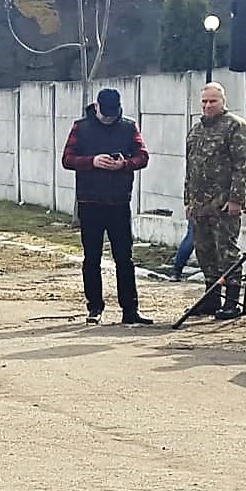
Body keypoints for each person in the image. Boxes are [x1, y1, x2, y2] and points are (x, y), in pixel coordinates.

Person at [60, 87, 152, 325]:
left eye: (114, 113)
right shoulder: (81, 128)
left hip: (119, 201)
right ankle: (94, 307)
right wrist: (92, 161)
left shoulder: (129, 127)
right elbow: (67, 159)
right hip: (89, 201)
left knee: (125, 257)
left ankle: (130, 309)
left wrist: (125, 164)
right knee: (92, 258)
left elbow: (143, 157)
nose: (110, 118)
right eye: (106, 113)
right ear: (96, 107)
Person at [185, 81, 246, 320]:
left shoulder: (236, 127)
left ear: (223, 102)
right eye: (204, 101)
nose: (207, 105)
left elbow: (242, 167)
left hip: (223, 203)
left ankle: (232, 302)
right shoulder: (196, 130)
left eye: (213, 101)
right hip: (199, 204)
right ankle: (211, 299)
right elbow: (189, 168)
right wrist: (187, 200)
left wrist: (236, 199)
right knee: (204, 251)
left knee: (227, 251)